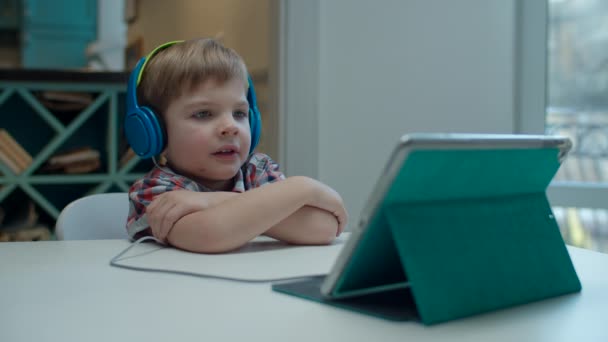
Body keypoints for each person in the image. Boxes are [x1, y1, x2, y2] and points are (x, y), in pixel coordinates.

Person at [125, 38, 347, 253]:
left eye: (239, 113)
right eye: (203, 114)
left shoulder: (257, 170)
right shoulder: (156, 191)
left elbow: (323, 227)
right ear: (154, 131)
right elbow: (210, 234)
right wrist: (301, 190)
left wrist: (210, 200)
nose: (230, 126)